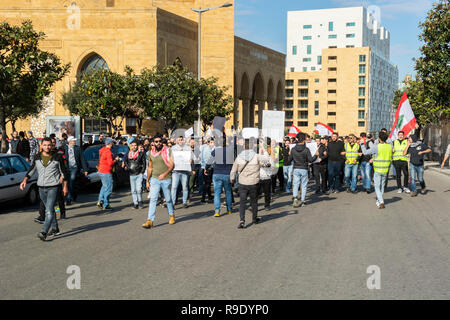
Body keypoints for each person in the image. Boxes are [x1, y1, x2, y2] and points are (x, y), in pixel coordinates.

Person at [20, 137, 68, 241]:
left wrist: (65, 186)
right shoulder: (37, 157)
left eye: (49, 145)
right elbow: (32, 169)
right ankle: (55, 228)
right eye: (45, 145)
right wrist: (25, 180)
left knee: (49, 211)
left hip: (53, 187)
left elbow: (64, 172)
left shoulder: (57, 157)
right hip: (41, 187)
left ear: (52, 146)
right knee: (49, 209)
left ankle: (44, 232)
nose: (47, 147)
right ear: (41, 145)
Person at [142, 134, 175, 229]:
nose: (158, 143)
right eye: (156, 141)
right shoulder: (150, 153)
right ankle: (150, 220)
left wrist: (164, 174)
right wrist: (147, 181)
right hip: (154, 179)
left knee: (168, 199)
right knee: (153, 199)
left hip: (166, 178)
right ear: (153, 143)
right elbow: (150, 168)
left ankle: (171, 215)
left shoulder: (168, 151)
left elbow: (172, 165)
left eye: (160, 141)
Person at [230, 138, 263, 229]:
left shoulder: (239, 157)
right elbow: (265, 162)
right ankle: (254, 218)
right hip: (254, 182)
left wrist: (232, 179)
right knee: (254, 202)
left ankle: (242, 221)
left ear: (244, 146)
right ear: (252, 146)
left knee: (242, 202)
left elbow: (234, 169)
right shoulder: (256, 156)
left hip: (242, 182)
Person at [35, 137, 67, 223]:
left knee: (59, 198)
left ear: (54, 144)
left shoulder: (58, 153)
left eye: (52, 143)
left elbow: (63, 168)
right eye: (49, 143)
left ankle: (62, 211)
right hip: (45, 182)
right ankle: (43, 215)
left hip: (57, 180)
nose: (50, 145)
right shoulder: (42, 154)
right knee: (45, 201)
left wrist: (62, 178)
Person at [361, 131, 392, 209]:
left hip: (378, 169)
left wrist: (362, 144)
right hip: (385, 169)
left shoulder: (376, 147)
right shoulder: (389, 147)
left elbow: (365, 152)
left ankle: (381, 201)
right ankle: (379, 200)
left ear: (379, 139)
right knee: (382, 186)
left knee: (377, 186)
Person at [289, 132, 318, 207]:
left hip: (296, 168)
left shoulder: (293, 149)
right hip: (304, 168)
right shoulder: (306, 149)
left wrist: (290, 154)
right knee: (304, 185)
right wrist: (316, 155)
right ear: (304, 139)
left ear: (297, 139)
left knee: (295, 184)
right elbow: (311, 160)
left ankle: (295, 197)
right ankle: (302, 201)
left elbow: (289, 160)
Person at [211, 133, 234, 217]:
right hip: (227, 173)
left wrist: (206, 168)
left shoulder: (215, 151)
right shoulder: (229, 150)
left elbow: (210, 159)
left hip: (217, 173)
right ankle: (229, 209)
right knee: (228, 192)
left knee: (217, 193)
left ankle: (217, 210)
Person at [171, 136, 194, 208]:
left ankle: (184, 202)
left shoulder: (188, 148)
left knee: (185, 187)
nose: (181, 140)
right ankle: (173, 202)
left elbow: (191, 158)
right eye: (179, 139)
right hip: (175, 171)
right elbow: (170, 158)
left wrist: (190, 160)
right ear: (177, 140)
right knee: (174, 187)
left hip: (185, 171)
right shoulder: (173, 148)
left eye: (182, 139)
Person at [123, 139, 147, 209]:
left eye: (135, 145)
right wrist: (128, 167)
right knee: (133, 190)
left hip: (139, 173)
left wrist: (142, 171)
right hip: (131, 174)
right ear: (130, 146)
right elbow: (125, 161)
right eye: (132, 145)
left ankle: (140, 202)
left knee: (139, 189)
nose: (134, 147)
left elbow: (144, 163)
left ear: (137, 146)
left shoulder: (141, 153)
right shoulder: (128, 153)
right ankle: (135, 203)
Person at [64, 136, 88, 205]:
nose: (74, 141)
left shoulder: (78, 148)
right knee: (67, 184)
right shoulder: (64, 148)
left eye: (75, 140)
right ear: (69, 141)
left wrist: (85, 169)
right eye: (73, 140)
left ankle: (68, 199)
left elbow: (82, 159)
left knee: (72, 180)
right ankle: (70, 197)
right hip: (66, 168)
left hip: (74, 168)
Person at [97, 138, 119, 210]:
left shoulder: (102, 150)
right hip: (106, 171)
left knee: (104, 186)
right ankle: (105, 204)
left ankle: (100, 200)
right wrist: (116, 160)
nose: (113, 144)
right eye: (112, 143)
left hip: (101, 170)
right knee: (109, 188)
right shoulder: (108, 152)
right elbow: (110, 163)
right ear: (110, 143)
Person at [258, 139, 275, 210]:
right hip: (259, 177)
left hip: (267, 177)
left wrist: (263, 164)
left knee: (267, 193)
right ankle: (252, 205)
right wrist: (261, 148)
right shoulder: (258, 157)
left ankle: (267, 205)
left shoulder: (269, 157)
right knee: (256, 193)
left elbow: (271, 166)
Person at [200, 138, 215, 204]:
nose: (212, 143)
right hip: (207, 167)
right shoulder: (207, 149)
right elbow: (208, 159)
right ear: (208, 143)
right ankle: (203, 199)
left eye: (213, 142)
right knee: (207, 183)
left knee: (207, 183)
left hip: (206, 167)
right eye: (211, 142)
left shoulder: (207, 148)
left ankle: (209, 196)